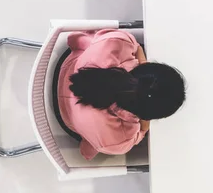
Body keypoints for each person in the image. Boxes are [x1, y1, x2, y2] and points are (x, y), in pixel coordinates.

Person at [57, 29, 186, 160]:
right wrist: (144, 126)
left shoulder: (117, 42)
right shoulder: (120, 140)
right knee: (98, 145)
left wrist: (141, 62)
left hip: (64, 67)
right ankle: (90, 144)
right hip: (63, 117)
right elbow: (140, 133)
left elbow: (137, 47)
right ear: (147, 115)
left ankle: (79, 41)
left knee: (93, 44)